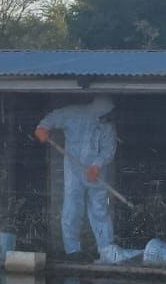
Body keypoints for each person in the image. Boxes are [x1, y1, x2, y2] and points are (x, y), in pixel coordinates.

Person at [35, 97, 117, 260]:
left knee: (100, 210)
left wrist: (96, 166)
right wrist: (42, 127)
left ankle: (106, 250)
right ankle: (73, 251)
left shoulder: (108, 127)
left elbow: (108, 150)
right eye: (103, 116)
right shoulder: (73, 113)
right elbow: (53, 118)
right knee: (72, 208)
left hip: (97, 172)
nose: (105, 119)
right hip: (73, 168)